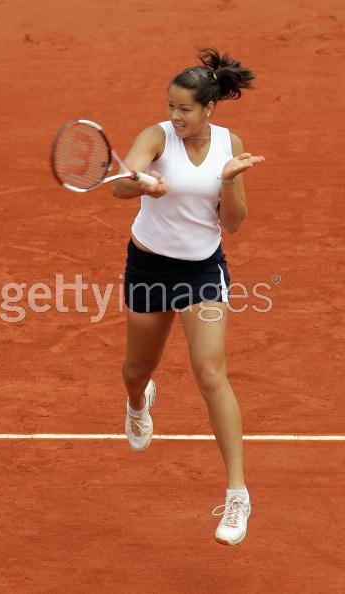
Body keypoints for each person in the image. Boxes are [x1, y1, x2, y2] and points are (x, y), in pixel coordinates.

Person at [112, 48, 264, 546]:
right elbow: (120, 185)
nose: (175, 117)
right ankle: (138, 402)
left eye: (185, 109)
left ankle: (238, 494)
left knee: (211, 372)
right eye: (171, 106)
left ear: (209, 110)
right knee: (137, 370)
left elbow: (234, 225)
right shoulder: (156, 136)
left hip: (203, 270)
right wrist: (143, 184)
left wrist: (230, 180)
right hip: (150, 266)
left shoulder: (229, 145)